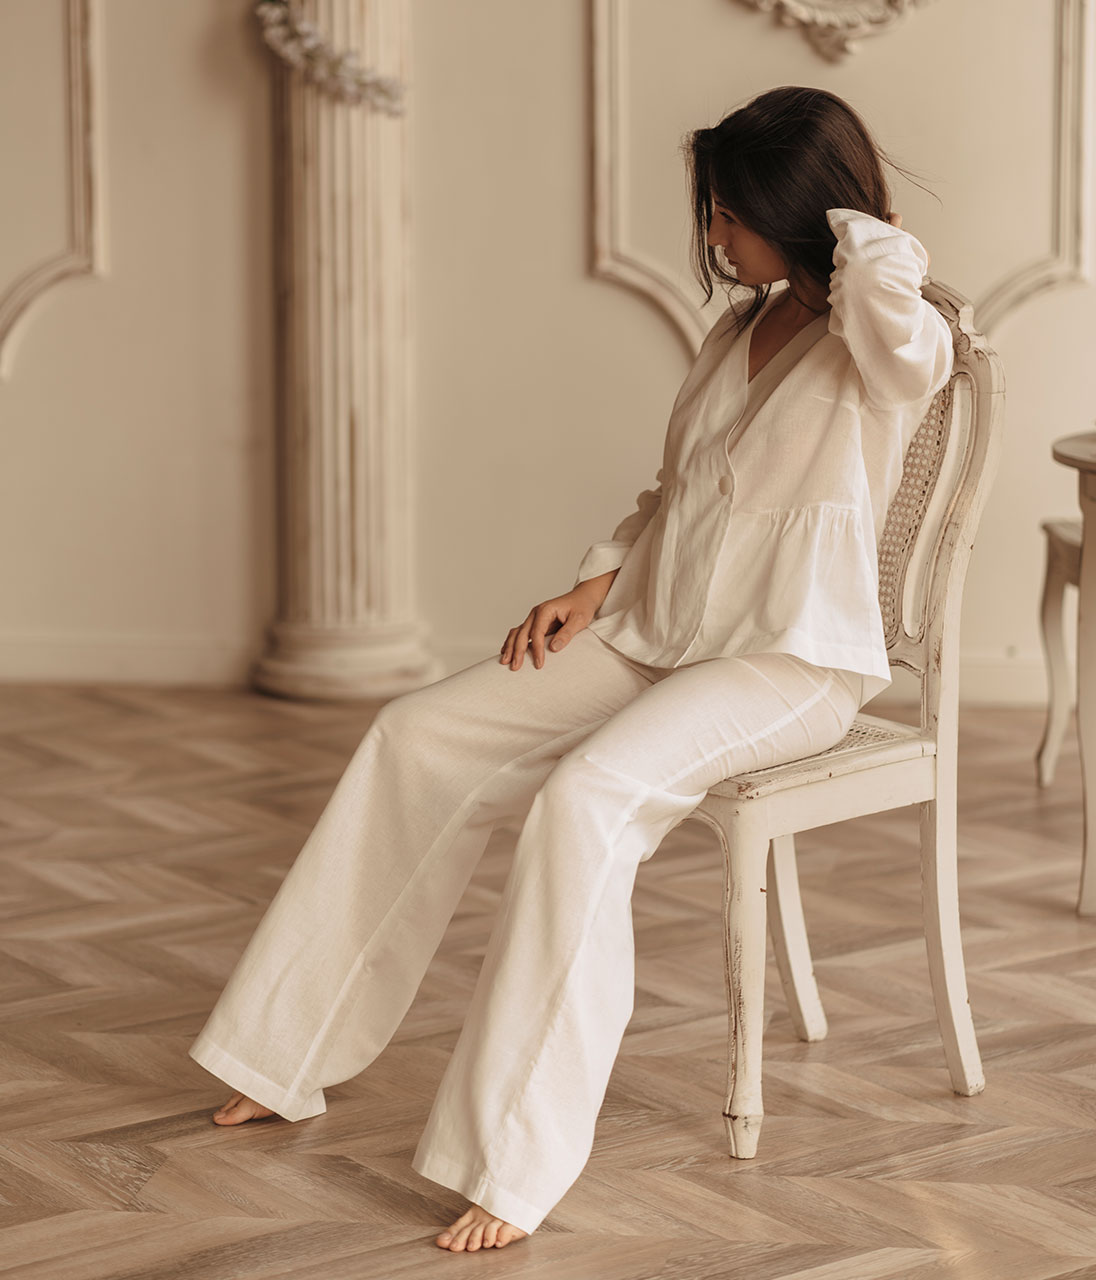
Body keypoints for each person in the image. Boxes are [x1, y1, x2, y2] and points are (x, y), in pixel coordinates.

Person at [188, 84, 954, 1253]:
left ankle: (515, 1155)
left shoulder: (884, 333)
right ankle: (278, 1051)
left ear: (801, 211)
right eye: (713, 209)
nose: (714, 236)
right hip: (656, 628)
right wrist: (596, 582)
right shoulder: (736, 330)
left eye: (733, 212)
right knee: (416, 733)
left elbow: (905, 346)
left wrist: (858, 228)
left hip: (789, 660)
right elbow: (677, 495)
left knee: (584, 801)